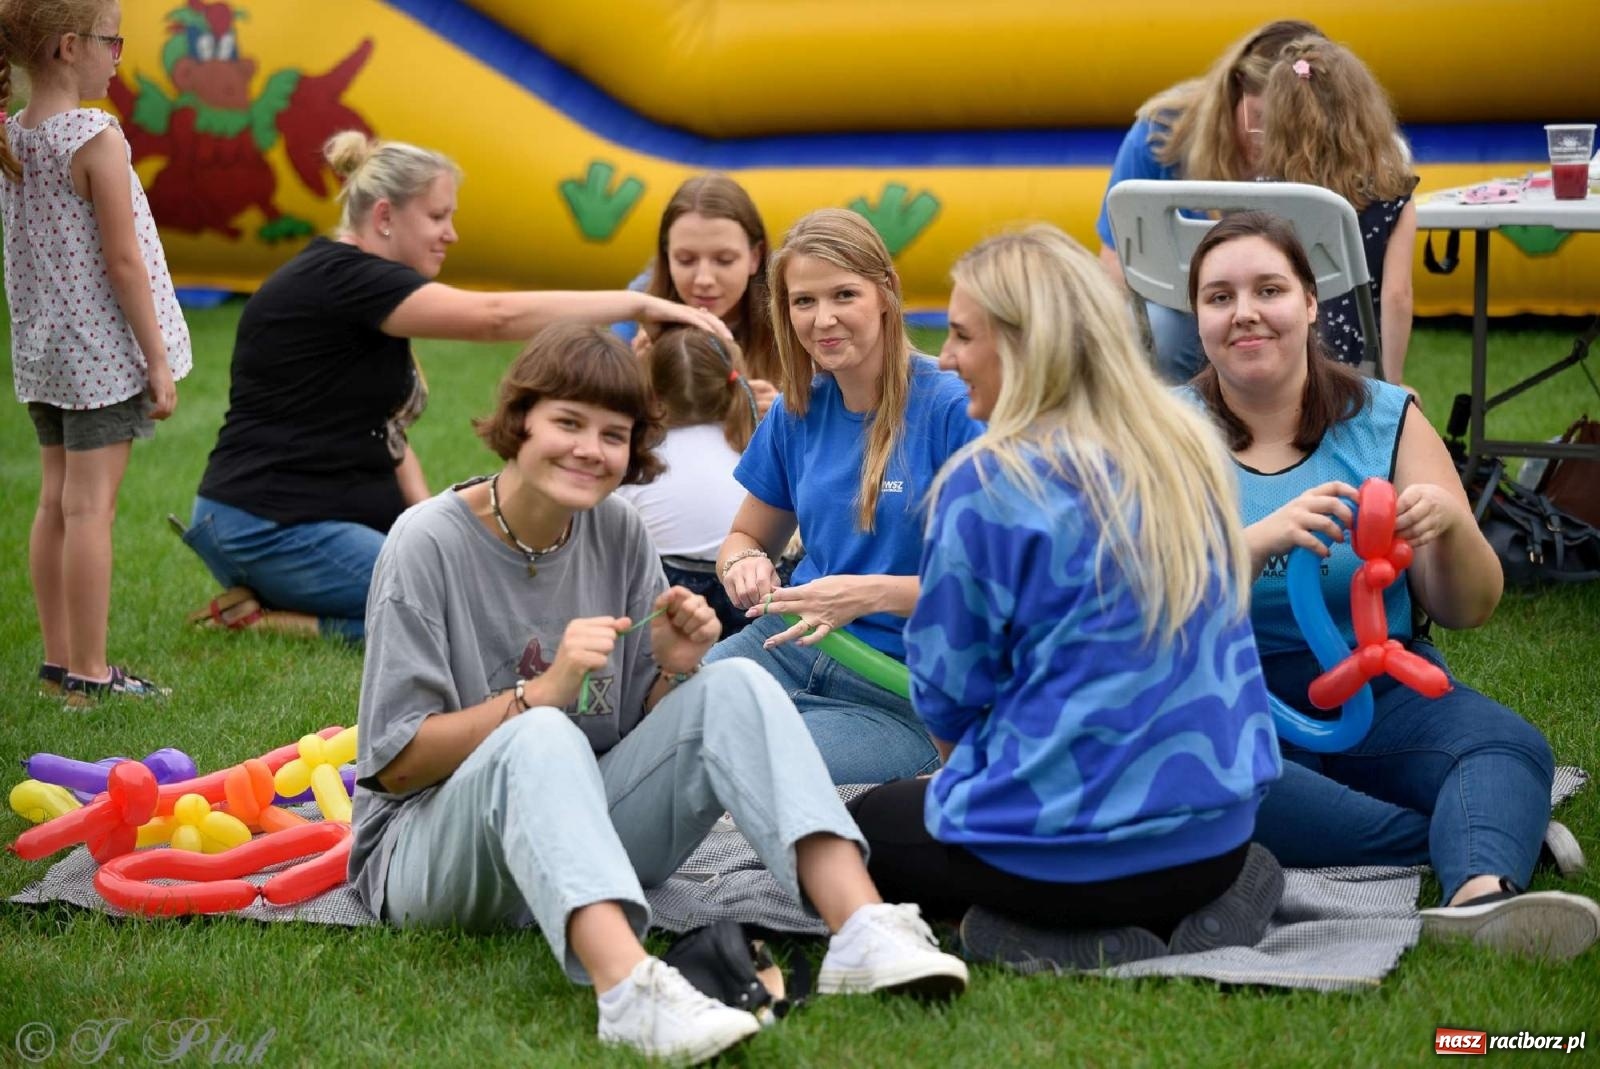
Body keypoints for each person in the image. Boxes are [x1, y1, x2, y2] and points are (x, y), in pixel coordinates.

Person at [350, 324, 968, 1064]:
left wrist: (675, 668)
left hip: (576, 834)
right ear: (520, 421)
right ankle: (631, 991)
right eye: (568, 423)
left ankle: (864, 928)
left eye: (614, 435)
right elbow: (396, 767)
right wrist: (540, 694)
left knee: (732, 679)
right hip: (428, 858)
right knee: (545, 730)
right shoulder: (424, 543)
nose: (590, 449)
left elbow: (639, 731)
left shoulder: (616, 530)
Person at [844, 224, 1284, 969]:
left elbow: (948, 696)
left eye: (959, 335)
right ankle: (1216, 900)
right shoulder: (1185, 445)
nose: (946, 359)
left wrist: (967, 784)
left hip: (1061, 864)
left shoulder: (988, 484)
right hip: (1217, 841)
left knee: (853, 833)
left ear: (1022, 345)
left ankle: (1042, 933)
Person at [1187, 211, 1600, 960]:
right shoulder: (1165, 429)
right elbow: (1132, 604)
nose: (1244, 311)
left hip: (1377, 689)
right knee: (1211, 789)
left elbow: (1469, 608)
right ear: (1198, 319)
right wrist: (1256, 541)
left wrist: (1450, 528)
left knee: (1508, 745)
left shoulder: (1385, 417)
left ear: (1311, 303)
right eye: (1219, 297)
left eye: (1268, 288)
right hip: (1226, 703)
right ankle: (1469, 828)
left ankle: (1483, 894)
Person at [184, 131, 729, 642]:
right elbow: (491, 316)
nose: (452, 233)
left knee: (468, 574)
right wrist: (638, 303)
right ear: (384, 216)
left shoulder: (361, 291)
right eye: (438, 216)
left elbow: (386, 432)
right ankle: (275, 621)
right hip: (267, 528)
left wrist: (432, 521)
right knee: (464, 609)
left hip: (310, 522)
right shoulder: (343, 278)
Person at [707, 208, 984, 785]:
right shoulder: (797, 408)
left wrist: (866, 596)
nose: (822, 319)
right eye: (803, 301)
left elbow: (997, 588)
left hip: (901, 685)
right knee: (679, 729)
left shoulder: (955, 410)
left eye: (843, 295)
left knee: (759, 767)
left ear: (886, 294)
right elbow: (745, 537)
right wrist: (745, 564)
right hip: (785, 644)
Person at [1, 0, 192, 705]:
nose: (120, 55)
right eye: (114, 41)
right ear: (69, 46)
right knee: (89, 512)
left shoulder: (13, 134)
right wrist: (158, 359)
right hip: (101, 360)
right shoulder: (94, 136)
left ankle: (58, 666)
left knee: (54, 503)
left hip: (46, 358)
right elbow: (123, 260)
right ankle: (89, 672)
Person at [1094, 19, 1321, 383]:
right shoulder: (1162, 132)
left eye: (1289, 127)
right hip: (1179, 314)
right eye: (1260, 118)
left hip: (1292, 310)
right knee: (1159, 334)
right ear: (1233, 94)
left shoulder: (1338, 143)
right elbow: (1116, 261)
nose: (1268, 137)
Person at [1258, 36, 1417, 384]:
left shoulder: (1262, 197)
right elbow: (1397, 296)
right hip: (1358, 366)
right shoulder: (1393, 196)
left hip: (1280, 356)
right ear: (1365, 112)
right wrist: (1392, 383)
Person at [615, 326, 759, 637]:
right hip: (750, 589)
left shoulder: (637, 456)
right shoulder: (756, 443)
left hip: (669, 595)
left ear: (649, 390)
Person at [627, 174, 780, 416]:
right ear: (667, 257)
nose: (704, 279)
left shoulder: (792, 318)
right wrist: (634, 383)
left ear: (755, 257)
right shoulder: (635, 312)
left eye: (724, 260)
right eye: (685, 260)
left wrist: (788, 417)